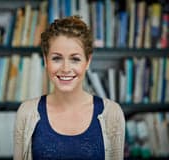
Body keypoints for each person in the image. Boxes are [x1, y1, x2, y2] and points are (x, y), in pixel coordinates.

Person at [13, 16, 125, 160]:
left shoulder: (112, 114)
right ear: (46, 60)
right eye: (57, 58)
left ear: (88, 62)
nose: (66, 69)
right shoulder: (27, 113)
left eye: (75, 59)